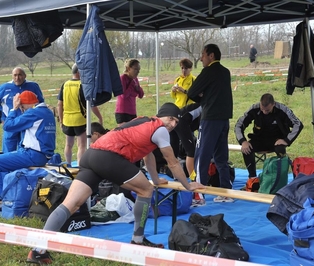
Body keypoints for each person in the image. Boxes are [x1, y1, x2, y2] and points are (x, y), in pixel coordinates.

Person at [26, 102, 205, 264]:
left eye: (176, 122)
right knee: (146, 190)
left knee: (71, 204)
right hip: (108, 157)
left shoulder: (144, 121)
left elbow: (147, 155)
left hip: (91, 155)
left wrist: (156, 179)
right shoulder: (160, 129)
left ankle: (38, 251)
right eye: (171, 119)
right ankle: (138, 240)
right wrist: (188, 186)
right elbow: (172, 161)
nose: (173, 124)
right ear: (161, 116)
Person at [187, 44, 233, 206]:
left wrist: (204, 100)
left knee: (202, 155)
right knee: (221, 156)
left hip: (210, 118)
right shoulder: (225, 72)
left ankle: (199, 195)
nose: (201, 58)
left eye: (203, 55)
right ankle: (226, 191)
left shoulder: (208, 72)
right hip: (224, 119)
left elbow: (192, 92)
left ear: (211, 56)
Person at [234, 93, 303, 178]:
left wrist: (286, 140)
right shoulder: (254, 109)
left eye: (267, 110)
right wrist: (243, 141)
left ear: (273, 104)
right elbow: (238, 125)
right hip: (259, 139)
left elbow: (298, 124)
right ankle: (252, 178)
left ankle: (280, 178)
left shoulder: (282, 110)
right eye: (262, 109)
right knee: (246, 149)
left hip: (276, 140)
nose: (264, 112)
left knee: (280, 148)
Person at [57, 63, 103, 166]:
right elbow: (91, 104)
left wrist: (61, 120)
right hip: (80, 119)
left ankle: (68, 165)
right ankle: (79, 167)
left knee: (68, 145)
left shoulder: (65, 84)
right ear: (79, 72)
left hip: (67, 120)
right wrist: (99, 117)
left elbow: (60, 104)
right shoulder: (83, 86)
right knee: (81, 145)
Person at [0, 91, 56, 172]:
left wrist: (14, 108)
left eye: (22, 107)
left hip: (32, 155)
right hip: (43, 155)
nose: (22, 110)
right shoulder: (48, 112)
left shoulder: (33, 113)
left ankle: (6, 184)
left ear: (25, 104)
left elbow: (8, 126)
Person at [0, 67, 44, 153]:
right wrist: (2, 119)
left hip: (26, 123)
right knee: (8, 151)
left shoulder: (33, 86)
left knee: (25, 148)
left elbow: (40, 103)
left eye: (20, 75)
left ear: (25, 76)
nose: (17, 78)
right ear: (12, 76)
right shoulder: (4, 87)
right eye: (15, 75)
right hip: (10, 123)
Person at [115, 58, 144, 127]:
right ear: (128, 68)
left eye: (139, 70)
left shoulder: (135, 79)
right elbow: (124, 96)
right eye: (135, 69)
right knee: (124, 134)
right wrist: (132, 85)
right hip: (123, 112)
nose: (137, 72)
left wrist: (138, 89)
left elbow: (141, 95)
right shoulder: (122, 78)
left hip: (132, 111)